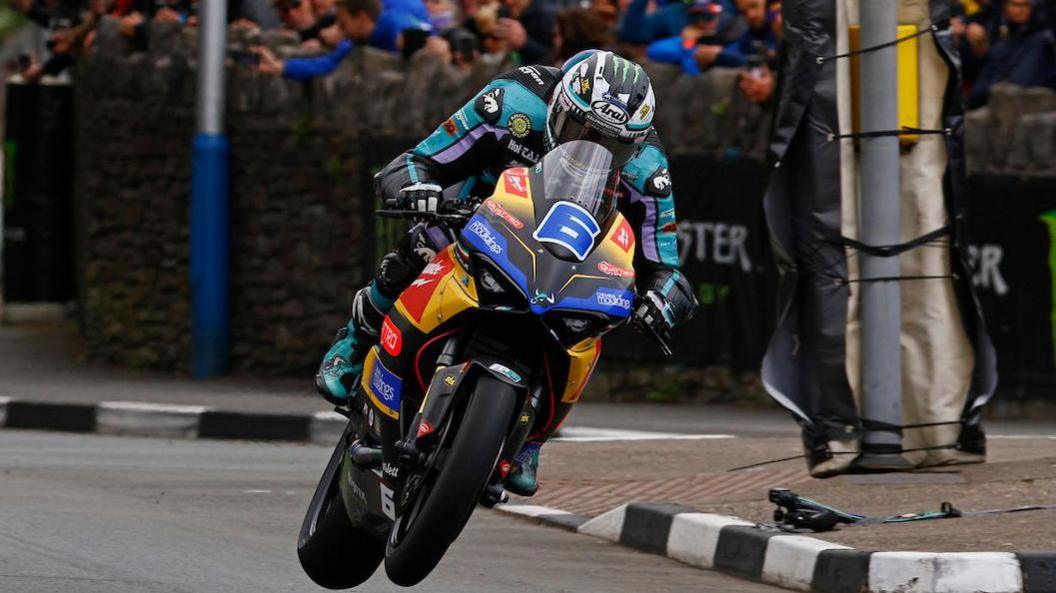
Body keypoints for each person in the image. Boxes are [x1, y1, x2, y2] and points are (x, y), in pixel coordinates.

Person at [315, 50, 698, 496]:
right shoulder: (512, 100)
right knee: (425, 241)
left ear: (633, 143)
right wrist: (417, 189)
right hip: (482, 214)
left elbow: (663, 264)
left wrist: (660, 300)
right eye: (582, 131)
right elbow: (422, 159)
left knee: (594, 319)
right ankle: (355, 341)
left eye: (612, 145)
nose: (594, 148)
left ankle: (531, 435)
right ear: (558, 106)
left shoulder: (648, 169)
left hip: (569, 256)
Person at [254, 0, 430, 79]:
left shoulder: (396, 26)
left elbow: (428, 41)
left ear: (361, 17)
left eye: (344, 24)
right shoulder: (357, 40)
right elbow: (328, 63)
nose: (341, 30)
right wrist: (281, 67)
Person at [967, 0, 1056, 107]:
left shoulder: (1042, 40)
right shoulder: (1002, 38)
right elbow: (979, 85)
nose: (1018, 10)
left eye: (1024, 5)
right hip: (988, 103)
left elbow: (1017, 85)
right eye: (1013, 4)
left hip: (1023, 108)